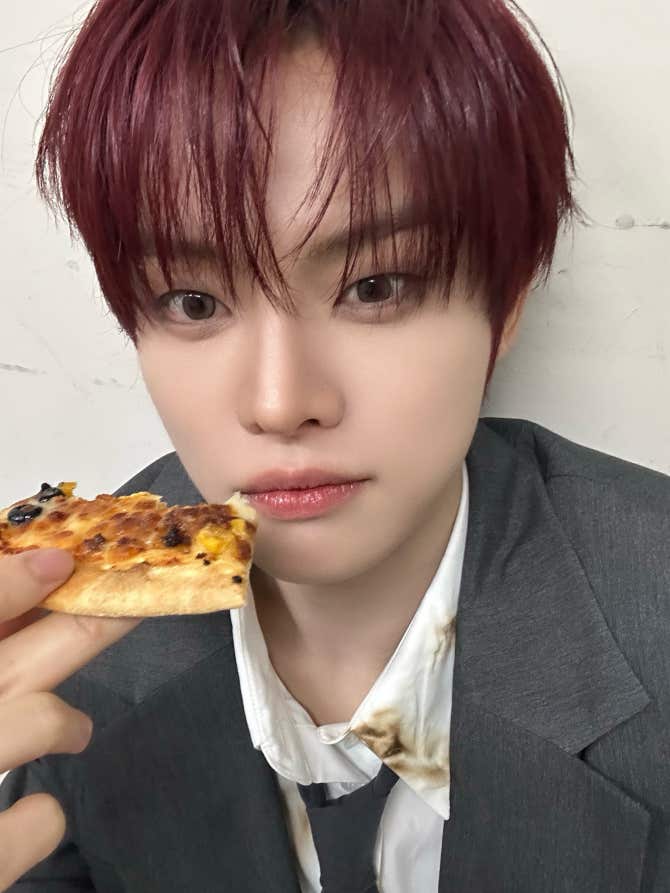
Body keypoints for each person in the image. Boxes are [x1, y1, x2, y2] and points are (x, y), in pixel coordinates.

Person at [0, 0, 668, 890]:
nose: (280, 404)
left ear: (505, 306)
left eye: (375, 286)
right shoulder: (59, 650)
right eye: (193, 301)